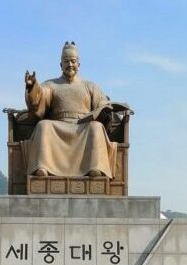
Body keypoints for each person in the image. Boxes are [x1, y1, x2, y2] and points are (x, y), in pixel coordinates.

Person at [23, 41, 118, 179]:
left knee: (96, 127)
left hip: (83, 126)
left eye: (73, 61)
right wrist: (32, 87)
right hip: (59, 126)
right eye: (66, 61)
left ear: (79, 64)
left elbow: (101, 102)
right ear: (61, 64)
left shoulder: (89, 86)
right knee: (43, 126)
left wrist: (105, 106)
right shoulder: (51, 85)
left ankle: (95, 167)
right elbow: (39, 98)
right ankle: (43, 167)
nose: (70, 65)